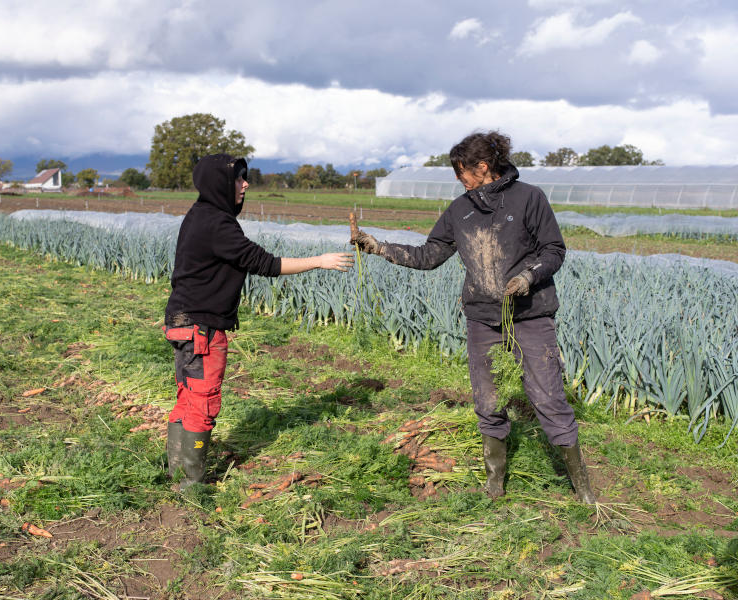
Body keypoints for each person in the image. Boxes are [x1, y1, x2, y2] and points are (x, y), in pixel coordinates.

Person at [353, 131, 595, 503]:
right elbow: (428, 256)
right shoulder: (460, 210)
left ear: (483, 167)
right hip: (483, 319)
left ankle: (583, 490)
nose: (458, 179)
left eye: (461, 171)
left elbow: (554, 250)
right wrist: (378, 247)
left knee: (548, 399)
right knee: (488, 400)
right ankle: (495, 483)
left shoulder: (529, 198)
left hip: (530, 316)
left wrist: (528, 277)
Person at [164, 153, 353, 490]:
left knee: (188, 398)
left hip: (183, 321)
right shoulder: (217, 223)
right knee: (203, 402)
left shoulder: (199, 214)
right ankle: (190, 487)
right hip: (201, 328)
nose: (245, 184)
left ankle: (177, 475)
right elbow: (262, 262)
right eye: (238, 178)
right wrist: (320, 261)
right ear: (219, 183)